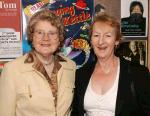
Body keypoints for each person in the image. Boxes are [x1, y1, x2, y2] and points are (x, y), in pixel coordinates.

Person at [71, 13, 150, 116]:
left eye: (107, 35)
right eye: (96, 35)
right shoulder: (81, 74)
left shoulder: (138, 73)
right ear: (91, 40)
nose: (101, 41)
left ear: (116, 40)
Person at [0, 10, 76, 116]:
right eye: (40, 32)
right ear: (32, 37)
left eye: (52, 33)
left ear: (59, 38)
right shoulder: (12, 70)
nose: (45, 38)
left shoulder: (70, 66)